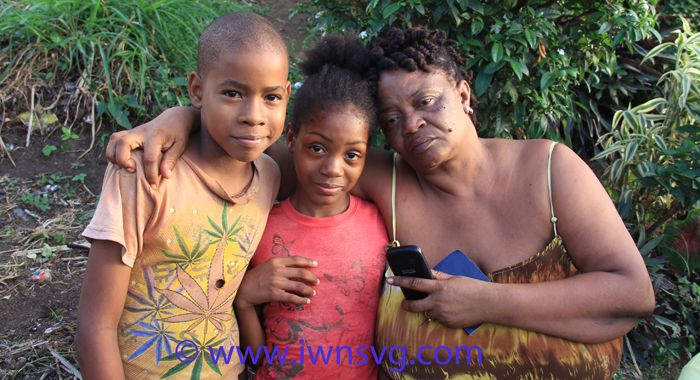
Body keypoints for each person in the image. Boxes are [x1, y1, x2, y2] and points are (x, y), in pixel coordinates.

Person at [105, 26, 656, 379]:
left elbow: (633, 293)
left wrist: (486, 302)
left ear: (464, 95)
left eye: (427, 102)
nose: (412, 126)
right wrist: (174, 120)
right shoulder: (377, 175)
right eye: (392, 119)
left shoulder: (550, 171)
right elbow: (260, 138)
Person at [74, 12, 302, 380]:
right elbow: (95, 327)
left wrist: (183, 116)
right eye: (232, 93)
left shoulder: (270, 175)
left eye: (271, 97)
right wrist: (180, 116)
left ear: (287, 95)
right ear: (197, 89)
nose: (253, 116)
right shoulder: (145, 175)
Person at [233, 33, 388, 379]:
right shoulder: (260, 225)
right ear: (291, 139)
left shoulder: (380, 224)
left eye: (352, 155)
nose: (333, 168)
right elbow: (253, 358)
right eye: (317, 148)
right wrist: (244, 300)